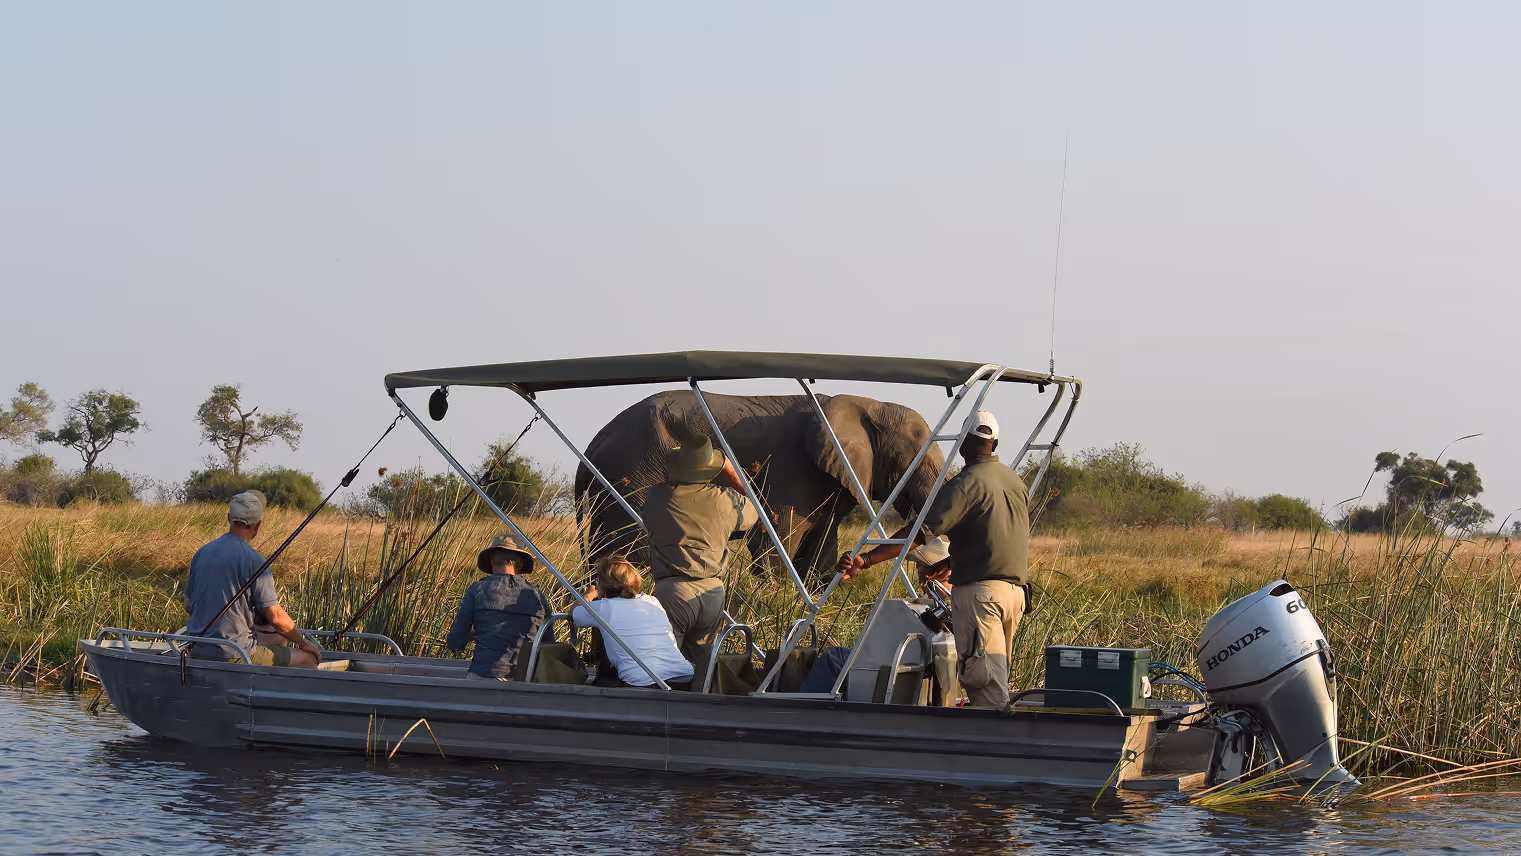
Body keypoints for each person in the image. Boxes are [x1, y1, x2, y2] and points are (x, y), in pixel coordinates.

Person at [837, 410, 1028, 708]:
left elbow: (919, 532)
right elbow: (996, 537)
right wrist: (949, 564)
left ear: (963, 444)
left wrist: (867, 560)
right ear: (996, 443)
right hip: (1014, 597)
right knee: (996, 680)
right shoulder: (1016, 483)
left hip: (982, 599)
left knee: (985, 690)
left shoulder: (965, 485)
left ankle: (993, 749)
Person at [643, 435, 761, 678]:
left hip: (673, 591)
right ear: (710, 469)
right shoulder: (724, 499)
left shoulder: (657, 496)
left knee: (664, 667)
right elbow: (754, 509)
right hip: (713, 593)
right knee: (703, 669)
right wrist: (730, 473)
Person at [184, 491, 322, 667]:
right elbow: (276, 618)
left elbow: (188, 605)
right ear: (258, 526)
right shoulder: (255, 561)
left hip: (196, 651)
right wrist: (304, 642)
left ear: (229, 518)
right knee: (307, 659)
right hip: (236, 655)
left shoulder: (201, 553)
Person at [571, 556, 694, 689]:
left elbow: (574, 612)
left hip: (644, 682)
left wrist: (589, 595)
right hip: (683, 677)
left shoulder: (604, 607)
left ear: (603, 585)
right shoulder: (652, 601)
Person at [446, 534, 551, 681]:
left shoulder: (478, 589)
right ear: (520, 563)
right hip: (525, 679)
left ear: (492, 560)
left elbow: (454, 642)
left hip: (484, 675)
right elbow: (548, 643)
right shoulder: (537, 595)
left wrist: (472, 634)